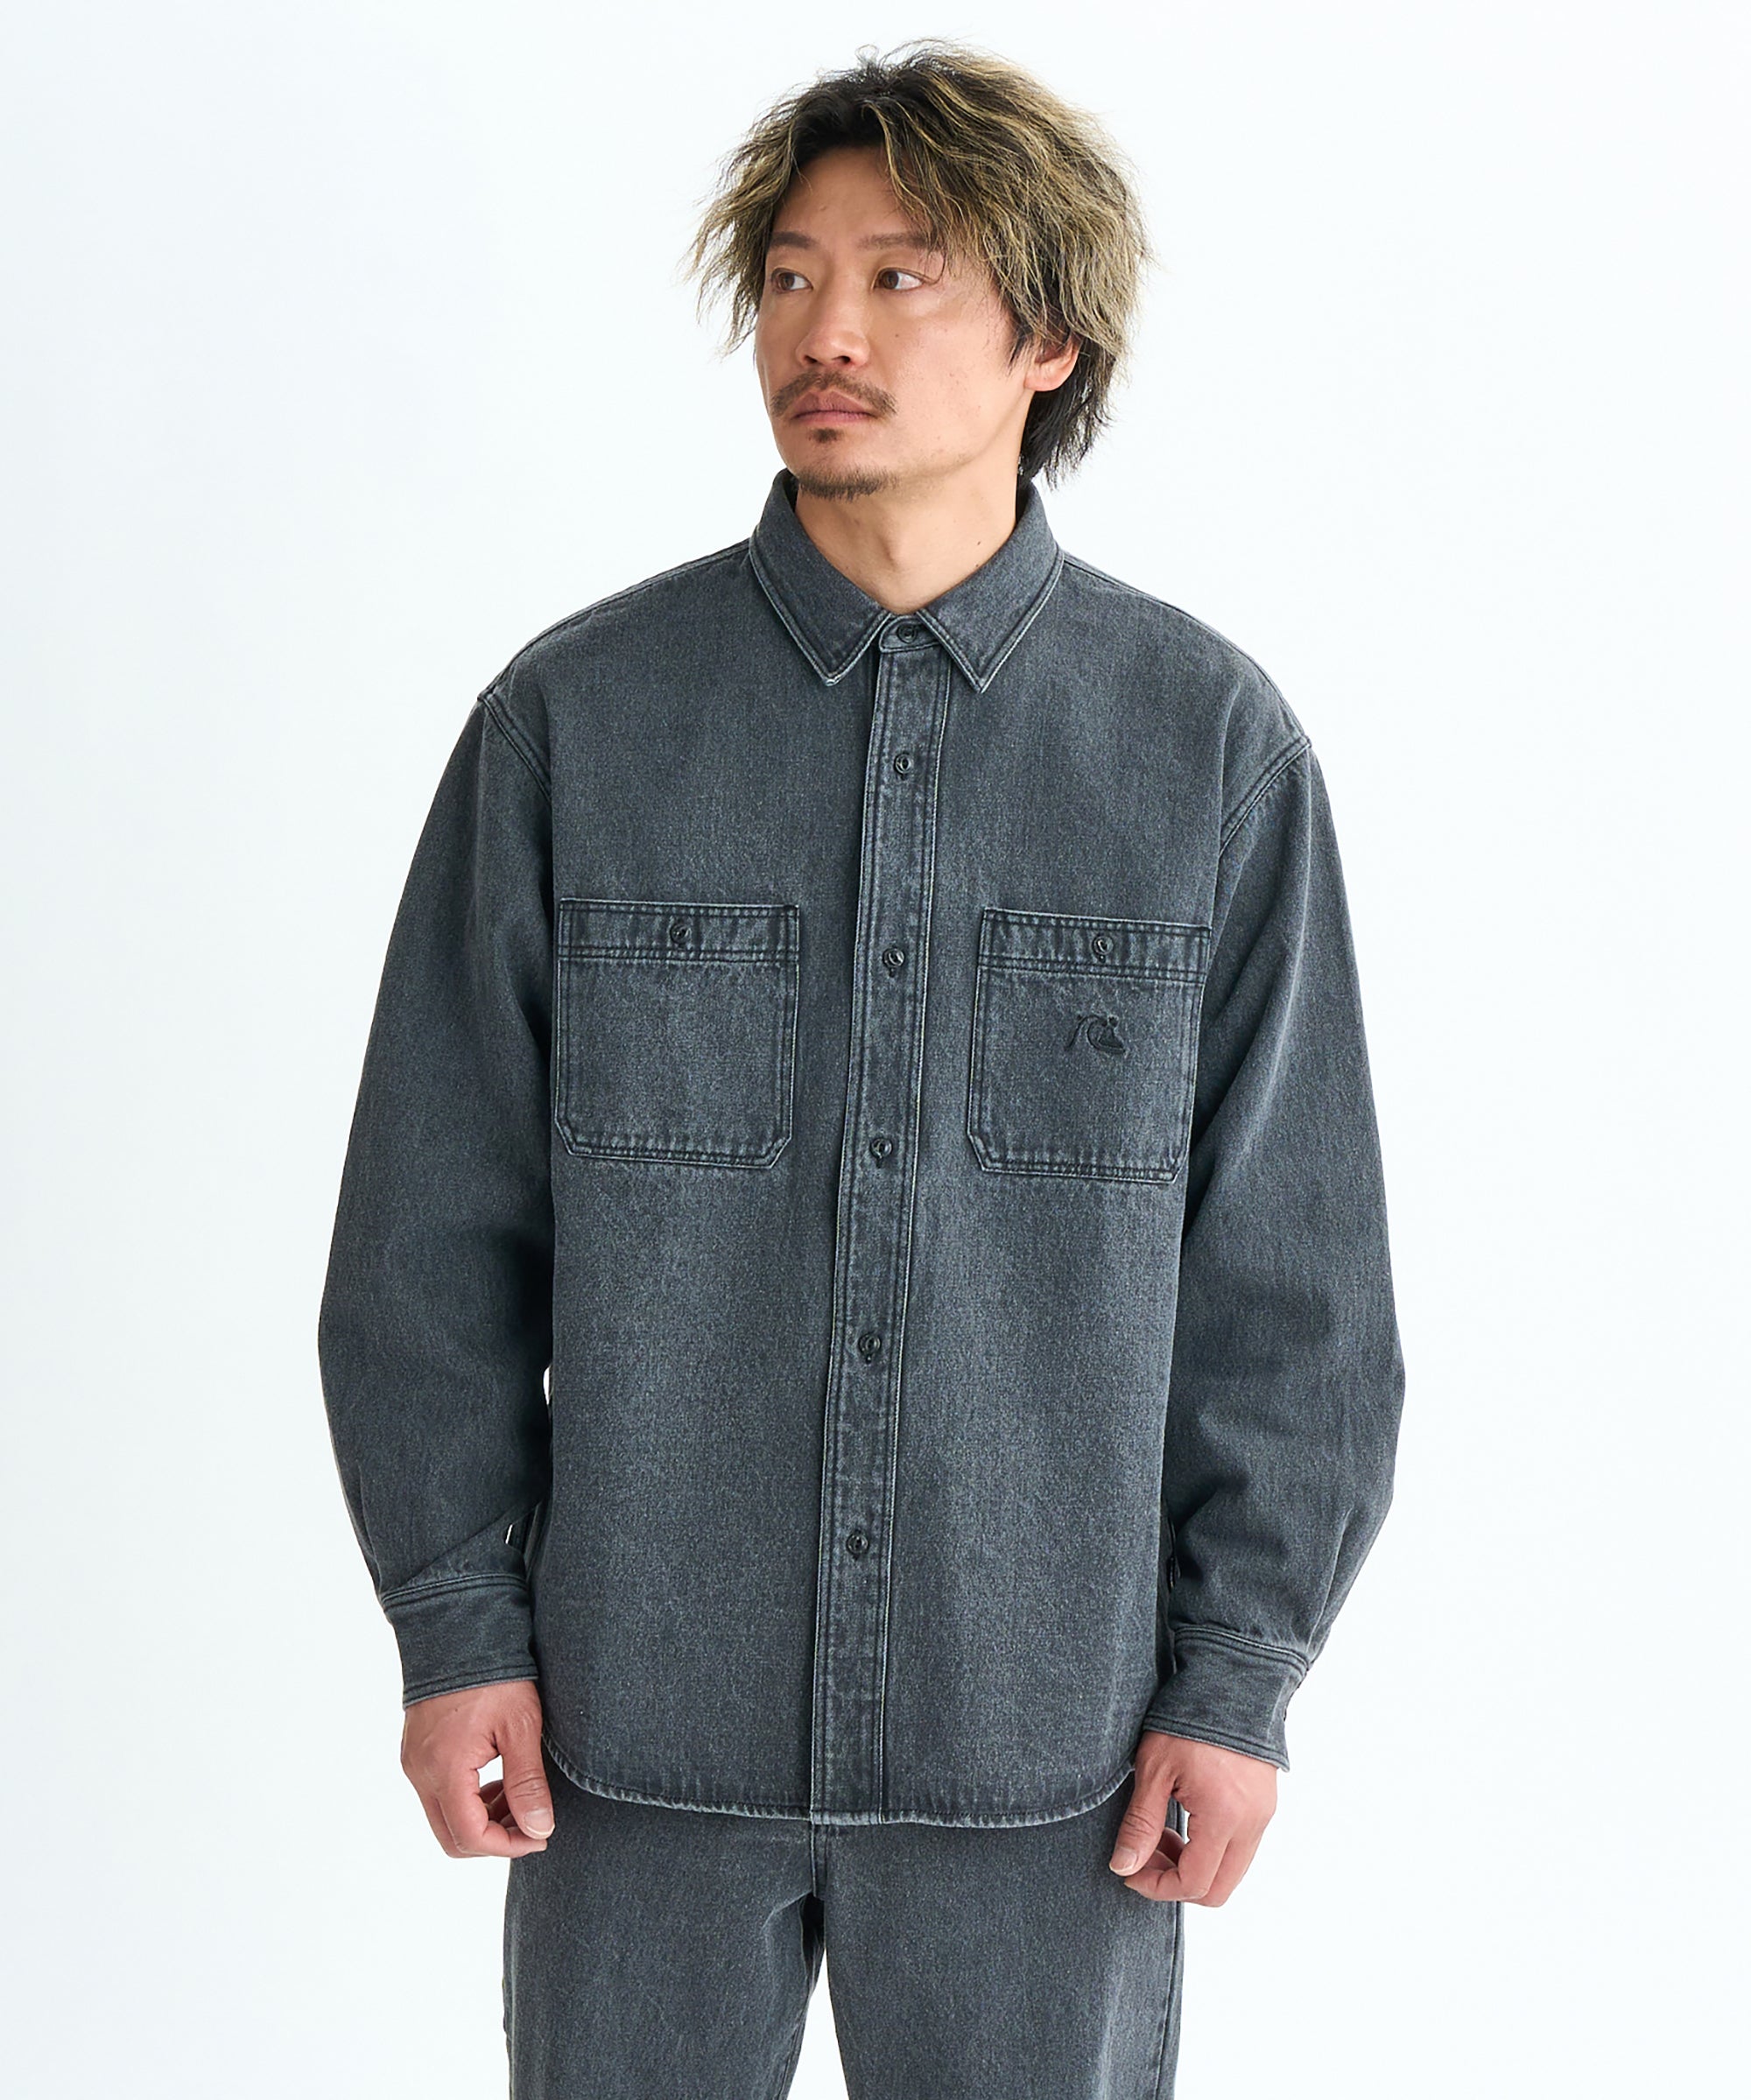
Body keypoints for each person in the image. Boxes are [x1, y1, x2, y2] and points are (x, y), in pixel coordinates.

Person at [317, 36, 1406, 2099]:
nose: (827, 330)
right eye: (793, 276)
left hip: (1050, 1763)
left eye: (903, 277)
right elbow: (425, 1239)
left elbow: (1295, 1289)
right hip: (632, 1745)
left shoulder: (1206, 753)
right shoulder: (574, 726)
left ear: (1048, 344)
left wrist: (1237, 1676)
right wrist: (456, 1629)